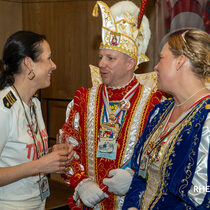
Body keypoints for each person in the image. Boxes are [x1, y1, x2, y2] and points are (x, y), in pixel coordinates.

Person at [60, 1, 164, 209]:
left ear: (130, 63)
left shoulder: (155, 103)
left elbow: (162, 156)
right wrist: (81, 183)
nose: (101, 64)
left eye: (110, 58)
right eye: (100, 57)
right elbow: (67, 147)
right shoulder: (83, 99)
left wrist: (135, 177)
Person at [122, 29, 210, 209]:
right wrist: (131, 206)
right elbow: (140, 173)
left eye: (161, 58)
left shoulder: (206, 119)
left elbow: (203, 195)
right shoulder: (161, 111)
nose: (155, 67)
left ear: (180, 61)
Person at [0, 30, 74, 210]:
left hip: (38, 202)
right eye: (48, 58)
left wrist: (50, 155)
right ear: (28, 63)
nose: (54, 65)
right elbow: (33, 165)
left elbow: (20, 153)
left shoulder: (34, 104)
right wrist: (40, 165)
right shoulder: (4, 108)